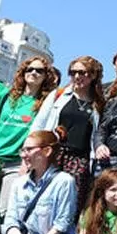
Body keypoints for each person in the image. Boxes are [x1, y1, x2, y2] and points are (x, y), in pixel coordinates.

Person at [33, 56, 105, 216]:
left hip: (80, 161)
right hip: (54, 155)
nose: (77, 76)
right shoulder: (58, 95)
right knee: (45, 200)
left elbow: (96, 134)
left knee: (70, 205)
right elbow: (39, 125)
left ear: (93, 75)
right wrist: (32, 152)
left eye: (82, 72)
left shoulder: (98, 103)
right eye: (73, 72)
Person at [0, 56, 57, 217]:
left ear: (46, 76)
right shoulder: (7, 95)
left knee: (6, 210)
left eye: (39, 71)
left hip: (17, 162)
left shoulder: (45, 104)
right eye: (29, 69)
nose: (33, 73)